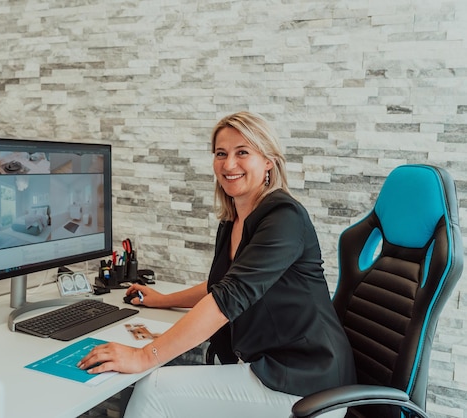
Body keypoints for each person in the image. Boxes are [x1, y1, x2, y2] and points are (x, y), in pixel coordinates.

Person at [78, 111, 356, 417]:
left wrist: (145, 356)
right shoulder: (234, 219)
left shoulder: (284, 218)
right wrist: (164, 300)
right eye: (221, 154)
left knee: (154, 388)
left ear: (268, 162)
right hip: (273, 366)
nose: (229, 164)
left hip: (308, 382)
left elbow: (230, 296)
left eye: (243, 153)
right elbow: (221, 285)